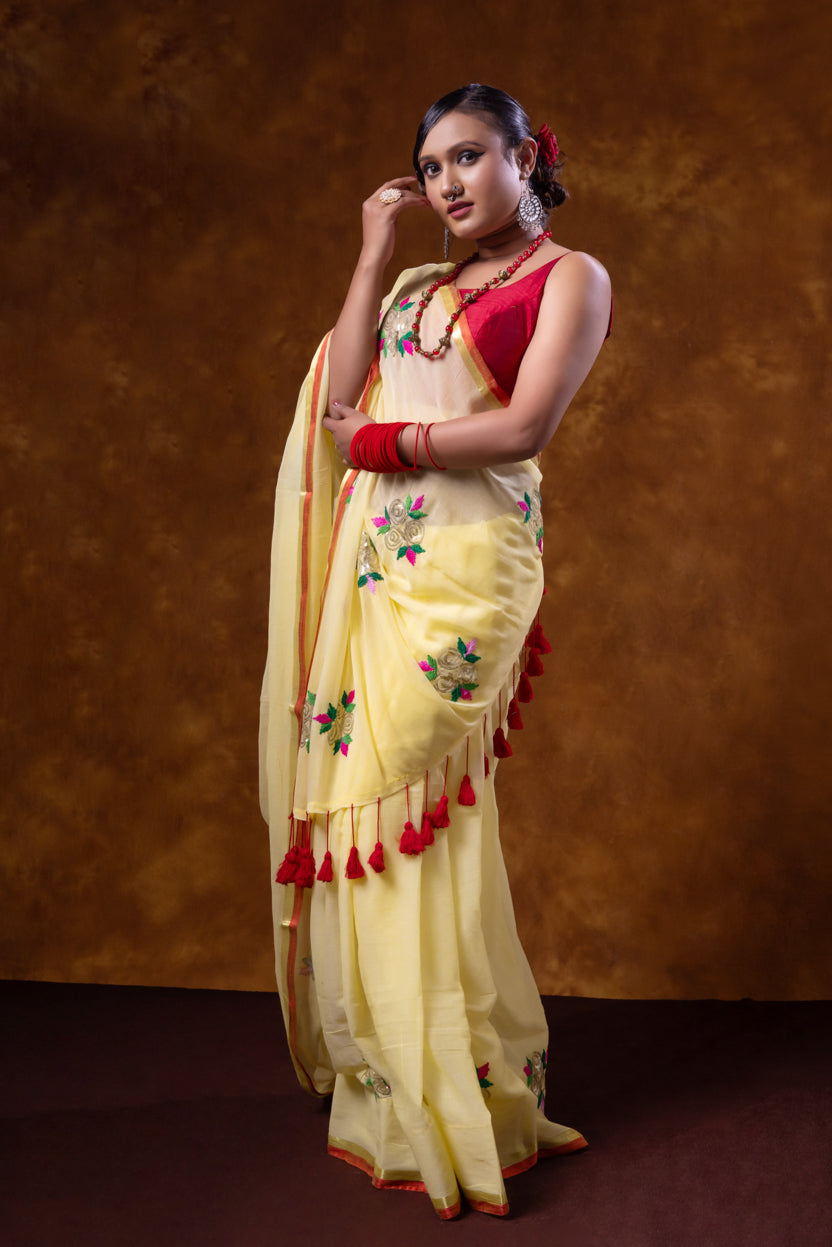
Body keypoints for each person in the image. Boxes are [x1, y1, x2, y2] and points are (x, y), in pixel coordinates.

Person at [259, 83, 612, 1220]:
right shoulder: (421, 281)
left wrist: (387, 445)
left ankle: (464, 1088)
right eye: (432, 168)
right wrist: (373, 255)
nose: (451, 184)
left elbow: (523, 426)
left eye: (470, 158)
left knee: (419, 807)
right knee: (367, 817)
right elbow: (343, 390)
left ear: (526, 157)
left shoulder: (570, 279)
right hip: (380, 572)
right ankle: (397, 1076)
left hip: (467, 571)